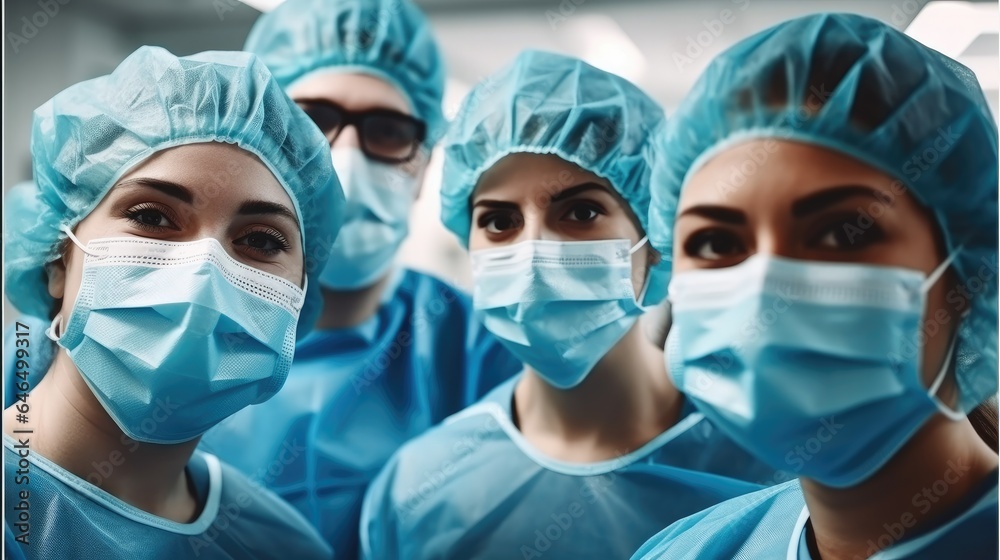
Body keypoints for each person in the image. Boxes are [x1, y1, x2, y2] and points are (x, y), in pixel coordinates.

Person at [359, 50, 787, 560]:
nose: (533, 252)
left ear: (654, 239)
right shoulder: (418, 490)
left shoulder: (777, 462)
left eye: (581, 212)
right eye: (498, 222)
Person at [632, 13, 998, 559]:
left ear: (966, 278)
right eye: (714, 243)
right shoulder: (686, 549)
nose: (764, 289)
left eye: (838, 234)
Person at [197, 0, 521, 556]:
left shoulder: (478, 349)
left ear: (422, 167)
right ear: (256, 144)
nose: (344, 156)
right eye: (312, 120)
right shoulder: (164, 318)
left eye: (388, 130)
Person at [2, 46, 345, 559]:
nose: (204, 271)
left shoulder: (282, 544)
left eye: (262, 241)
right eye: (152, 216)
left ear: (299, 293)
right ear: (58, 260)